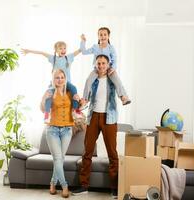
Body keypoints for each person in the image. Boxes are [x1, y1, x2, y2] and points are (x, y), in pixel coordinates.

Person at [72, 55, 119, 199]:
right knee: (87, 152)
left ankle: (115, 187)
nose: (101, 66)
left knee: (112, 153)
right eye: (98, 63)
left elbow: (122, 91)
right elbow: (85, 99)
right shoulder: (92, 79)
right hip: (93, 117)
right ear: (96, 64)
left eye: (103, 63)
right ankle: (84, 185)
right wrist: (80, 101)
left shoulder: (113, 78)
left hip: (109, 118)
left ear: (108, 64)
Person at [21, 41, 83, 122]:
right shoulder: (53, 59)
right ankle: (47, 114)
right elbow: (42, 53)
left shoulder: (69, 57)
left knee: (74, 89)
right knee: (49, 94)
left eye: (64, 48)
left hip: (66, 82)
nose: (63, 50)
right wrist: (29, 51)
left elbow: (80, 50)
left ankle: (75, 110)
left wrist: (83, 41)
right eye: (60, 48)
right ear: (56, 50)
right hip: (55, 83)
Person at [42, 69, 75, 198]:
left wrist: (82, 101)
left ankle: (52, 183)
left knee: (60, 159)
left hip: (67, 130)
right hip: (52, 130)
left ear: (65, 79)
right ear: (53, 79)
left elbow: (78, 106)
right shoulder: (50, 93)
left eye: (62, 77)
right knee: (58, 158)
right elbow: (42, 109)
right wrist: (43, 98)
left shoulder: (70, 92)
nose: (60, 80)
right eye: (57, 77)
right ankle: (65, 186)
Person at [80, 27, 131, 107]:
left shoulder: (111, 48)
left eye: (105, 35)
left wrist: (113, 68)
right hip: (97, 69)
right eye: (101, 35)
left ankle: (123, 97)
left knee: (117, 80)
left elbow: (114, 59)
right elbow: (84, 52)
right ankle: (85, 99)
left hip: (108, 68)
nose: (103, 36)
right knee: (88, 80)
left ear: (108, 36)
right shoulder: (95, 47)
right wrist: (83, 41)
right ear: (98, 36)